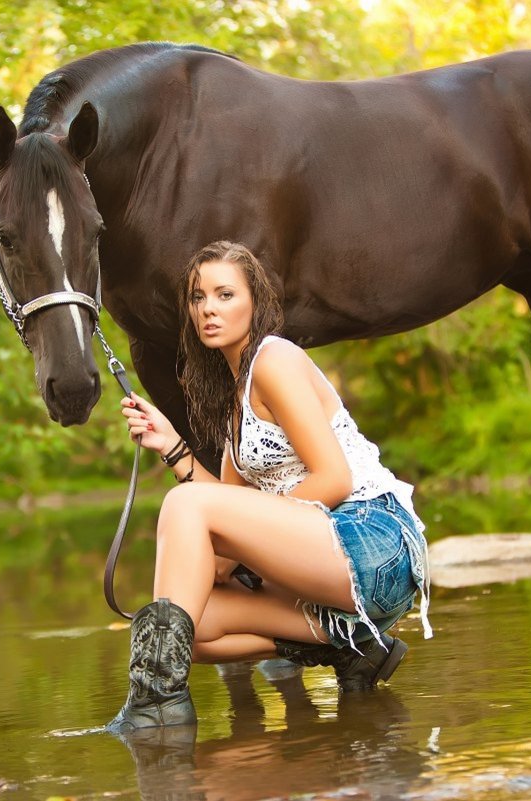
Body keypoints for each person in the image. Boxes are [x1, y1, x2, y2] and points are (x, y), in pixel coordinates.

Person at [108, 241, 432, 731]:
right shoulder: (235, 400)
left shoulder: (274, 359)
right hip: (325, 572)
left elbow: (334, 478)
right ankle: (351, 647)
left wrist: (239, 549)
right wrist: (171, 446)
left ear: (254, 301)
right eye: (198, 298)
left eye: (224, 294)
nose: (208, 309)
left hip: (374, 539)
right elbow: (227, 507)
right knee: (189, 631)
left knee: (187, 509)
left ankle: (154, 705)